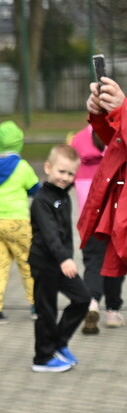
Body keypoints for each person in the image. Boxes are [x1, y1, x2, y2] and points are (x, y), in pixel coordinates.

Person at [29, 144, 89, 372]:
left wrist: (67, 258)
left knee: (82, 298)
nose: (65, 177)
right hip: (45, 263)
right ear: (48, 168)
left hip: (61, 263)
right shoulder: (42, 201)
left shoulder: (63, 197)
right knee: (46, 310)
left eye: (70, 173)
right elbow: (50, 234)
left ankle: (58, 343)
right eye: (61, 172)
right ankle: (42, 358)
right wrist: (65, 259)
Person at [0, 120, 38, 325]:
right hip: (18, 222)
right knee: (29, 265)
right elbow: (35, 191)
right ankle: (37, 305)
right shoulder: (23, 167)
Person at [70, 125, 124, 334]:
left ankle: (91, 303)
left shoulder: (78, 139)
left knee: (93, 263)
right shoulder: (121, 135)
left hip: (91, 215)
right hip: (117, 214)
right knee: (114, 264)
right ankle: (112, 311)